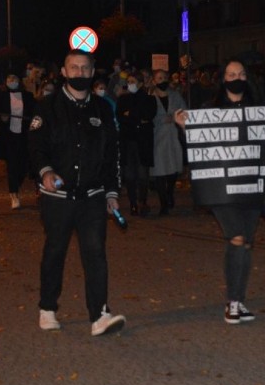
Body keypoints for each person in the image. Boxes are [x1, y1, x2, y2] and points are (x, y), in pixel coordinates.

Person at [27, 49, 125, 336]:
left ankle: (100, 315)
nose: (79, 73)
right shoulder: (47, 107)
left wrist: (112, 192)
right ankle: (47, 308)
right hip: (58, 199)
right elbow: (35, 146)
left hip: (92, 197)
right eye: (74, 68)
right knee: (55, 252)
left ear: (92, 71)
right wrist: (45, 171)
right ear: (64, 71)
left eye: (85, 68)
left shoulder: (103, 108)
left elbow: (112, 154)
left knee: (95, 254)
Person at [174, 58, 262, 324]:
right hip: (222, 188)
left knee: (245, 242)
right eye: (231, 73)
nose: (236, 77)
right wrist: (184, 128)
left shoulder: (258, 109)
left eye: (241, 72)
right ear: (223, 79)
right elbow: (196, 147)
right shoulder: (208, 109)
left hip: (252, 185)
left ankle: (240, 299)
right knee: (235, 237)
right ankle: (233, 301)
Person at [0, 73, 35, 209]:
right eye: (9, 79)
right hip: (9, 136)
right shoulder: (1, 97)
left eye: (14, 78)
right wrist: (1, 119)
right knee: (11, 166)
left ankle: (17, 185)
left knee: (23, 166)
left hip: (24, 135)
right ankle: (14, 194)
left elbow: (34, 114)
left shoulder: (28, 96)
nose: (12, 81)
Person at [116, 73, 156, 215]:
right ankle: (133, 203)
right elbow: (121, 117)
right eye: (128, 81)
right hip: (128, 141)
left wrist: (131, 114)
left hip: (142, 142)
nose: (130, 84)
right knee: (129, 175)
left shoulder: (149, 99)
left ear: (139, 83)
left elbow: (148, 115)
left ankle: (142, 201)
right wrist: (137, 118)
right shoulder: (123, 99)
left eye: (133, 81)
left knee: (142, 174)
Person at [148, 69, 186, 216]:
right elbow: (146, 116)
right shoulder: (150, 97)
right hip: (157, 137)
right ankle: (163, 203)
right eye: (159, 78)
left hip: (172, 137)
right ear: (153, 80)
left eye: (164, 77)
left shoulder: (175, 96)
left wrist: (176, 118)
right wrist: (161, 119)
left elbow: (184, 111)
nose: (162, 80)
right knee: (159, 171)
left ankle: (170, 191)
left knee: (172, 169)